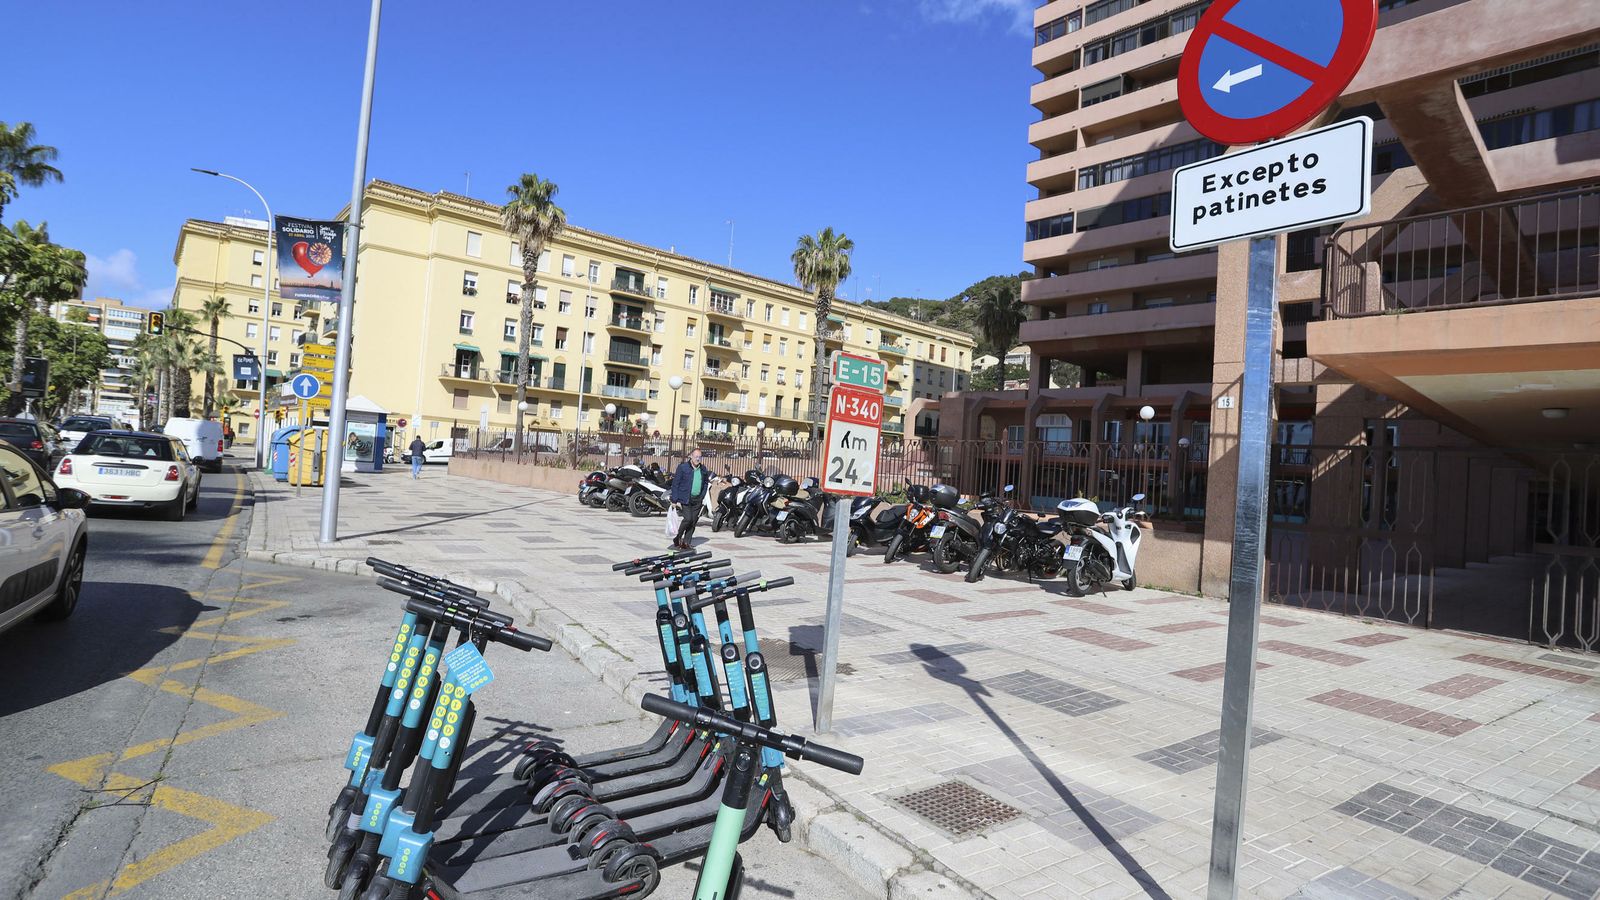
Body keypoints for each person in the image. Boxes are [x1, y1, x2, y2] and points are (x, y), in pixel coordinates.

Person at [669, 446, 711, 550]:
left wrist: (702, 495)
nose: (698, 459)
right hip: (686, 498)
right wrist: (674, 499)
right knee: (688, 519)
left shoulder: (703, 469)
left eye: (699, 457)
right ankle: (678, 537)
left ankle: (686, 543)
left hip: (697, 499)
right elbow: (675, 484)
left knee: (693, 521)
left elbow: (706, 482)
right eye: (696, 456)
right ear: (691, 456)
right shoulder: (683, 467)